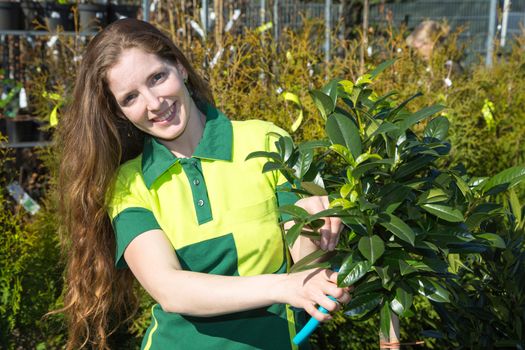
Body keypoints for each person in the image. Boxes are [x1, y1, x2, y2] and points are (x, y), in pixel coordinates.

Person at [56, 18, 350, 350]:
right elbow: (171, 290)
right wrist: (284, 286)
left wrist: (314, 222)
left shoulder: (265, 140)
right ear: (120, 113)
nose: (154, 103)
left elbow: (308, 267)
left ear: (179, 67)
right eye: (130, 98)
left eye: (157, 77)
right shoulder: (129, 184)